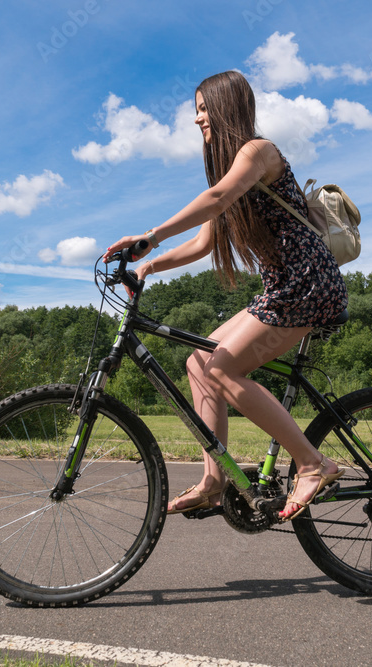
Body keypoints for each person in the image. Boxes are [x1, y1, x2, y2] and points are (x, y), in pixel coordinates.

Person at [103, 71, 349, 521]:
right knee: (198, 362)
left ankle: (313, 463)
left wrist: (149, 237)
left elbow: (216, 199)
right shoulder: (230, 174)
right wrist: (148, 266)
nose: (198, 119)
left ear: (226, 106)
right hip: (283, 287)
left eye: (203, 108)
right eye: (195, 110)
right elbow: (202, 243)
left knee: (221, 367)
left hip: (307, 282)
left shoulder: (258, 152)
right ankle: (215, 481)